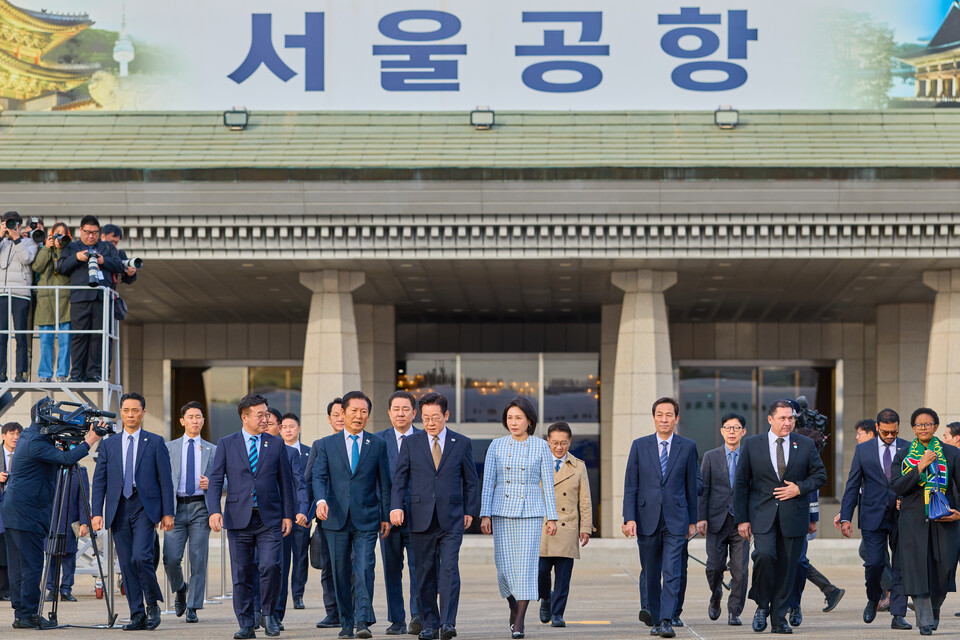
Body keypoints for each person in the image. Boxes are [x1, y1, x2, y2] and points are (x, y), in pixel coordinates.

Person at [390, 392, 479, 640]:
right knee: (425, 572)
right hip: (419, 518)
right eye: (426, 418)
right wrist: (396, 507)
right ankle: (430, 624)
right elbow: (400, 480)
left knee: (449, 569)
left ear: (446, 415)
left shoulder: (461, 443)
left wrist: (470, 511)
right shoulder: (411, 443)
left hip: (451, 518)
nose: (430, 423)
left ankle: (448, 623)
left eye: (436, 417)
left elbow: (471, 481)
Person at [734, 399, 827, 634]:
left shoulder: (805, 444)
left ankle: (778, 619)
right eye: (783, 418)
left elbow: (820, 476)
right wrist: (742, 519)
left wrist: (799, 488)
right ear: (770, 419)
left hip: (794, 516)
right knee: (764, 556)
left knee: (788, 568)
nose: (788, 423)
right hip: (762, 515)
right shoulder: (753, 444)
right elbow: (742, 484)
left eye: (791, 418)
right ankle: (761, 605)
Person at [206, 393, 294, 639]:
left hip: (270, 519)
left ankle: (268, 614)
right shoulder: (227, 443)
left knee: (271, 566)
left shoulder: (275, 444)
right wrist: (214, 510)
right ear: (244, 417)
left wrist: (288, 514)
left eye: (267, 414)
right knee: (242, 572)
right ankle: (246, 622)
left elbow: (285, 482)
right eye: (260, 415)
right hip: (238, 518)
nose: (266, 419)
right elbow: (215, 480)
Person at [1, 417, 100, 628]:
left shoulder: (29, 437)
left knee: (20, 566)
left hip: (18, 512)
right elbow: (67, 459)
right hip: (26, 514)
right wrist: (91, 439)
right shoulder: (35, 441)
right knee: (31, 566)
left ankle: (22, 613)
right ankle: (28, 615)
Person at [91, 392, 176, 630]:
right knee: (127, 563)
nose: (130, 414)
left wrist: (168, 513)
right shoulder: (109, 444)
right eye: (126, 410)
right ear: (121, 412)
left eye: (135, 410)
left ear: (143, 413)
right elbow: (99, 481)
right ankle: (137, 613)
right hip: (118, 508)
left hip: (144, 506)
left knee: (142, 557)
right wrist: (96, 512)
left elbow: (165, 480)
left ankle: (152, 605)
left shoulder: (156, 441)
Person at [313, 390, 392, 640]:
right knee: (339, 572)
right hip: (334, 518)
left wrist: (386, 515)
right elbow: (319, 476)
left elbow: (385, 482)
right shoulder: (326, 444)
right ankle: (346, 623)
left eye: (364, 412)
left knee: (364, 569)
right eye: (354, 411)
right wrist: (321, 500)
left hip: (367, 519)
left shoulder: (377, 444)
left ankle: (362, 621)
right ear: (343, 413)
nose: (359, 416)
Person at [480, 396, 558, 640]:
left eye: (518, 418)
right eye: (510, 418)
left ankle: (521, 620)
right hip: (502, 510)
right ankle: (513, 605)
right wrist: (485, 514)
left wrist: (552, 517)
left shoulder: (541, 446)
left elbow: (548, 482)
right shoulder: (496, 445)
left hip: (531, 511)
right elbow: (488, 482)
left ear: (529, 421)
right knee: (504, 569)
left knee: (526, 568)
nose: (513, 422)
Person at [622, 397, 698, 639]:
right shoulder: (639, 445)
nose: (664, 419)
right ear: (653, 417)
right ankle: (655, 618)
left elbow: (691, 487)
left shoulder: (687, 447)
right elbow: (631, 485)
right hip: (646, 518)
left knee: (673, 570)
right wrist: (629, 517)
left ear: (677, 418)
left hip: (677, 518)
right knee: (651, 571)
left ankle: (666, 619)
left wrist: (693, 521)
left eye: (669, 415)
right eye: (659, 414)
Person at [838, 408, 912, 630]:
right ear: (877, 428)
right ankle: (873, 597)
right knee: (874, 564)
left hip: (902, 515)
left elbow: (914, 480)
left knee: (900, 566)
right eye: (886, 432)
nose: (890, 436)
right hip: (872, 515)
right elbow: (852, 485)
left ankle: (898, 614)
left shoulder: (908, 447)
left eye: (894, 432)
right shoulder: (863, 450)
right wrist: (845, 517)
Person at [891, 407, 960, 635]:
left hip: (945, 516)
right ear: (913, 428)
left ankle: (934, 610)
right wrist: (920, 465)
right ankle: (925, 620)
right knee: (917, 568)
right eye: (919, 425)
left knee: (945, 567)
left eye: (928, 424)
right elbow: (897, 486)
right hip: (913, 517)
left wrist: (959, 512)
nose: (923, 428)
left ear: (936, 427)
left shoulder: (951, 453)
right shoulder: (903, 455)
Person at [163, 401, 217, 623]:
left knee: (198, 558)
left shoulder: (213, 450)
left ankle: (194, 606)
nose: (195, 421)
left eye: (199, 417)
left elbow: (225, 481)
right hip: (175, 508)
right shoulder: (169, 448)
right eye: (191, 417)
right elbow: (162, 480)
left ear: (203, 421)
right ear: (182, 421)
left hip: (200, 509)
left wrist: (212, 483)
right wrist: (163, 511)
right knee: (170, 558)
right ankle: (180, 588)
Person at [537, 422, 592, 628]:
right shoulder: (538, 462)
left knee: (563, 577)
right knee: (540, 573)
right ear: (548, 442)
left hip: (567, 526)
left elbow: (585, 500)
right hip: (542, 526)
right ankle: (546, 598)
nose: (559, 447)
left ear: (569, 442)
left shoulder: (579, 466)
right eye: (555, 443)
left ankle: (558, 614)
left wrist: (585, 528)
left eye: (564, 443)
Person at [258, 407, 308, 629]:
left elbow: (299, 484)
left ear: (279, 427)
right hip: (253, 519)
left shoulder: (290, 453)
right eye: (264, 421)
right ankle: (256, 611)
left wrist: (301, 509)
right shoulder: (249, 448)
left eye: (272, 423)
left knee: (279, 567)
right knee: (256, 567)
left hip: (281, 520)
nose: (267, 426)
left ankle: (275, 615)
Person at [56, 214, 123, 382]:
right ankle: (77, 373)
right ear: (80, 231)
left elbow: (119, 266)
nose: (91, 236)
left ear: (99, 232)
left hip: (102, 297)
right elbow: (61, 267)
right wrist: (76, 258)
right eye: (87, 232)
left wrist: (103, 261)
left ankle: (95, 373)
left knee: (98, 337)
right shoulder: (72, 247)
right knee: (79, 336)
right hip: (80, 297)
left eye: (94, 233)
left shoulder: (107, 247)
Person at [697, 412, 749, 627]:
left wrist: (752, 519)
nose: (732, 432)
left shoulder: (751, 456)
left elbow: (754, 489)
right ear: (721, 431)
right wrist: (701, 518)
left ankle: (734, 611)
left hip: (742, 523)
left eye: (736, 428)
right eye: (728, 428)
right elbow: (703, 489)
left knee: (740, 570)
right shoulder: (710, 456)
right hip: (716, 520)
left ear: (743, 432)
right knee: (714, 567)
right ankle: (716, 594)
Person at [378, 390, 422, 636]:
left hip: (420, 516)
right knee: (391, 570)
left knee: (420, 569)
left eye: (406, 409)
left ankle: (418, 616)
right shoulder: (377, 441)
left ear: (414, 413)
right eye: (396, 409)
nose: (401, 413)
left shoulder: (426, 438)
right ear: (389, 413)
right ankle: (396, 620)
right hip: (388, 518)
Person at [305, 397, 345, 629]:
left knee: (353, 568)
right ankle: (333, 612)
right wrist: (307, 513)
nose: (340, 418)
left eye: (343, 413)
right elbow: (309, 480)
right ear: (329, 419)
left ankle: (352, 611)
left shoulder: (364, 443)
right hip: (327, 517)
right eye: (335, 415)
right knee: (328, 567)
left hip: (357, 517)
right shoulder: (320, 445)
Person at [0, 211, 38, 383]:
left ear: (19, 225)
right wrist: (1, 236)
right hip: (2, 293)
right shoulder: (1, 242)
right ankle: (1, 373)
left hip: (21, 293)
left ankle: (21, 374)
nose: (10, 227)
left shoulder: (29, 241)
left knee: (20, 335)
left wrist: (17, 239)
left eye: (12, 224)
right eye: (6, 224)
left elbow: (27, 259)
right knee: (1, 335)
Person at [32, 221, 72, 383]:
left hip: (65, 300)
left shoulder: (70, 250)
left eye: (63, 234)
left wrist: (62, 248)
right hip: (45, 299)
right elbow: (37, 267)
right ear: (50, 235)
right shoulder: (44, 249)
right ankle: (45, 374)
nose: (59, 237)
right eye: (57, 233)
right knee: (45, 340)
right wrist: (48, 248)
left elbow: (69, 267)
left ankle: (62, 373)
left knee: (65, 340)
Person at [44, 464, 89, 602]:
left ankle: (66, 589)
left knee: (69, 556)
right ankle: (52, 589)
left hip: (70, 519)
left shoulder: (80, 471)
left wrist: (84, 522)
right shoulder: (49, 468)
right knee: (51, 555)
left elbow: (84, 498)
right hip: (50, 519)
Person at [280, 412, 311, 611]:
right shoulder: (275, 451)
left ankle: (298, 595)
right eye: (284, 427)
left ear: (299, 429)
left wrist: (307, 512)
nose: (288, 430)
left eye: (292, 426)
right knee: (282, 558)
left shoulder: (309, 452)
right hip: (282, 514)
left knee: (300, 556)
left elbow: (310, 485)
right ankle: (280, 595)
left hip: (302, 514)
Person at [0, 420, 21, 600]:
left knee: (11, 549)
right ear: (3, 435)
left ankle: (8, 589)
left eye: (17, 434)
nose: (15, 437)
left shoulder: (24, 455)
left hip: (17, 508)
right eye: (11, 434)